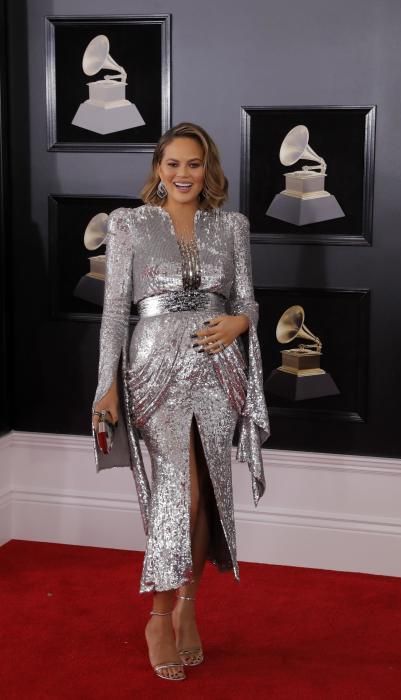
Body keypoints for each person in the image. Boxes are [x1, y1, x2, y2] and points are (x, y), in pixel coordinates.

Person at [91, 122, 270, 681]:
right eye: (172, 164)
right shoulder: (130, 224)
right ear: (158, 168)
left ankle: (189, 608)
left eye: (193, 164)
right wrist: (107, 386)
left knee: (208, 493)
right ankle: (158, 615)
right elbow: (116, 310)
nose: (183, 174)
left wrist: (240, 321)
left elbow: (247, 301)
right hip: (153, 369)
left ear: (207, 168)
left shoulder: (232, 226)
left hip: (219, 368)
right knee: (181, 489)